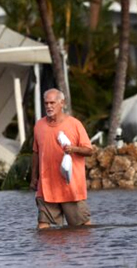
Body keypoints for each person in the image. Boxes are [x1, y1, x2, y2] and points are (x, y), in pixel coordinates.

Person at [30, 88, 94, 229]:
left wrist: (74, 149)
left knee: (83, 228)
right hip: (46, 187)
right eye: (46, 103)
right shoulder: (39, 125)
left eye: (52, 103)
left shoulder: (75, 124)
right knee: (43, 227)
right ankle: (46, 252)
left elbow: (89, 151)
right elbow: (35, 152)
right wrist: (34, 177)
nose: (49, 106)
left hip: (70, 187)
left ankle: (85, 252)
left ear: (62, 103)